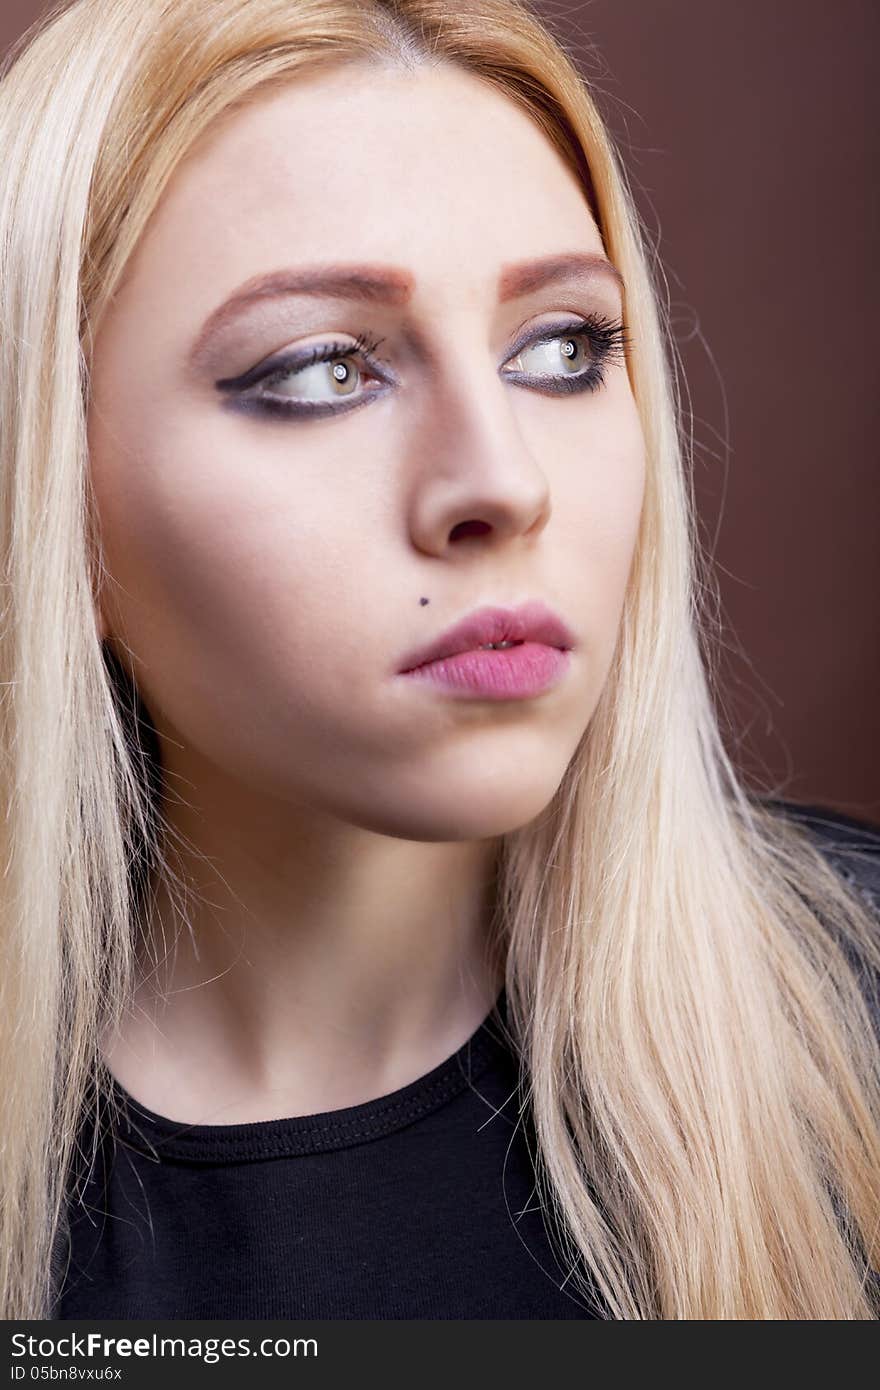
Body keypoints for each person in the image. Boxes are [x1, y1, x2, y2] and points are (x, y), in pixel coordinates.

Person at [0, 0, 878, 1323]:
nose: (504, 482)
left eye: (564, 348)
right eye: (318, 369)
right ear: (57, 495)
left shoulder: (851, 1021)